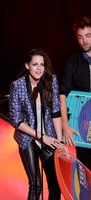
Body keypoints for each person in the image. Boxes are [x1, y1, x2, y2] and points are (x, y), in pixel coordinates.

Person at [9, 49, 64, 200]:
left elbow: (55, 111)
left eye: (42, 64)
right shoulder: (17, 86)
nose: (39, 68)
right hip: (28, 138)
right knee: (36, 184)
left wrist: (59, 140)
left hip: (49, 138)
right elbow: (16, 120)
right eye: (35, 64)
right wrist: (41, 137)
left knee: (55, 184)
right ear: (27, 66)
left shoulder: (50, 81)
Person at [60, 16, 91, 170]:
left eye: (88, 36)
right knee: (85, 171)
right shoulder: (72, 62)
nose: (84, 41)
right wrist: (65, 125)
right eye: (80, 37)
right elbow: (62, 94)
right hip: (84, 126)